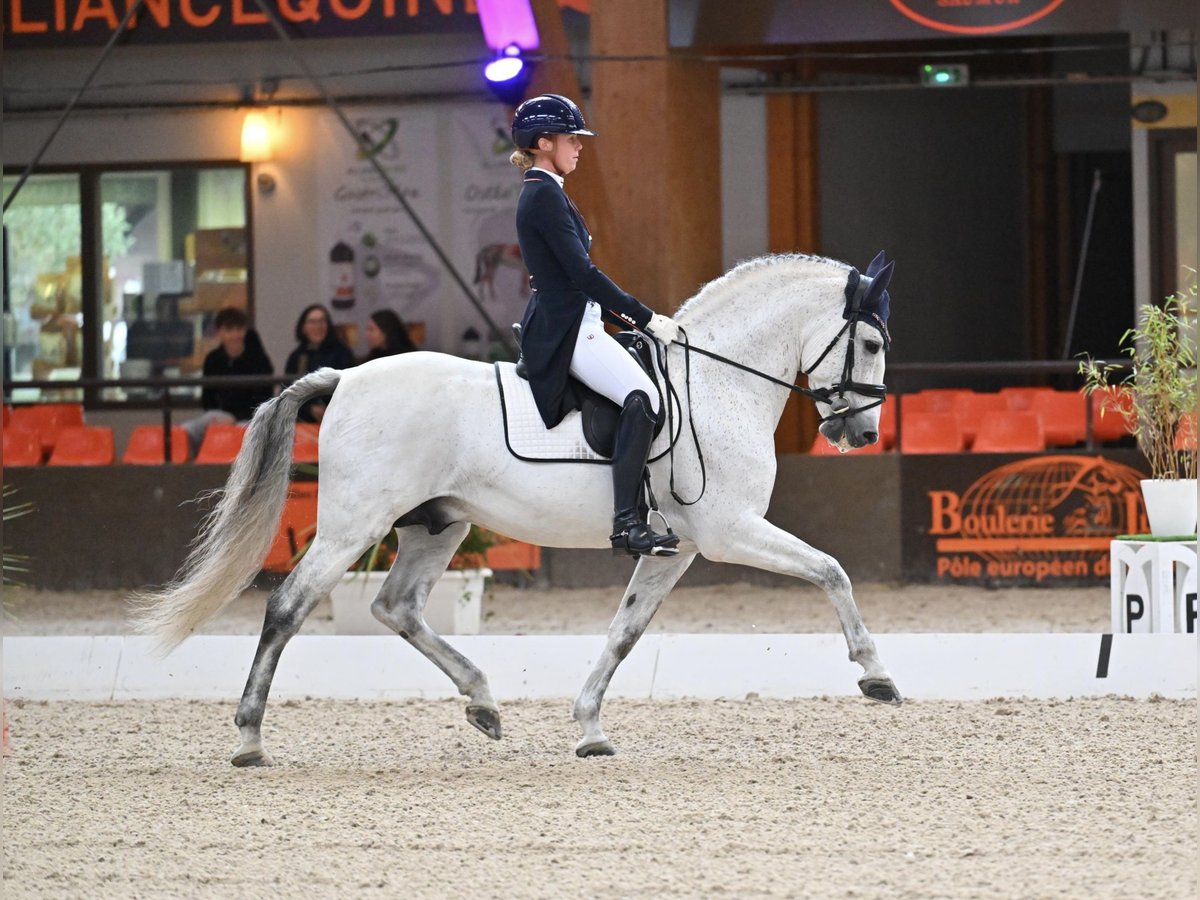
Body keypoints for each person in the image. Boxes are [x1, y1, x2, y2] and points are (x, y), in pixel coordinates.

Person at [510, 93, 681, 558]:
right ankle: (628, 523)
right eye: (571, 139)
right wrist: (643, 316)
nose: (579, 147)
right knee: (643, 398)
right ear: (544, 142)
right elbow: (582, 275)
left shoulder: (550, 192)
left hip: (580, 319)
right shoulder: (542, 195)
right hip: (568, 328)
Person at [182, 306, 274, 455]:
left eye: (239, 329)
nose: (235, 335)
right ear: (219, 332)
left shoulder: (259, 359)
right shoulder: (212, 359)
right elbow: (208, 397)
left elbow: (264, 398)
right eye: (229, 330)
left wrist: (236, 418)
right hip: (220, 415)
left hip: (251, 418)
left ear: (244, 331)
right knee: (187, 430)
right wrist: (221, 416)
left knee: (248, 431)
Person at [284, 303, 355, 422]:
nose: (318, 326)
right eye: (312, 322)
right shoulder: (297, 356)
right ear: (303, 328)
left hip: (336, 419)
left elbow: (349, 389)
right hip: (303, 423)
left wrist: (327, 408)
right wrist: (309, 408)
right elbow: (288, 391)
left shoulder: (341, 353)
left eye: (322, 321)